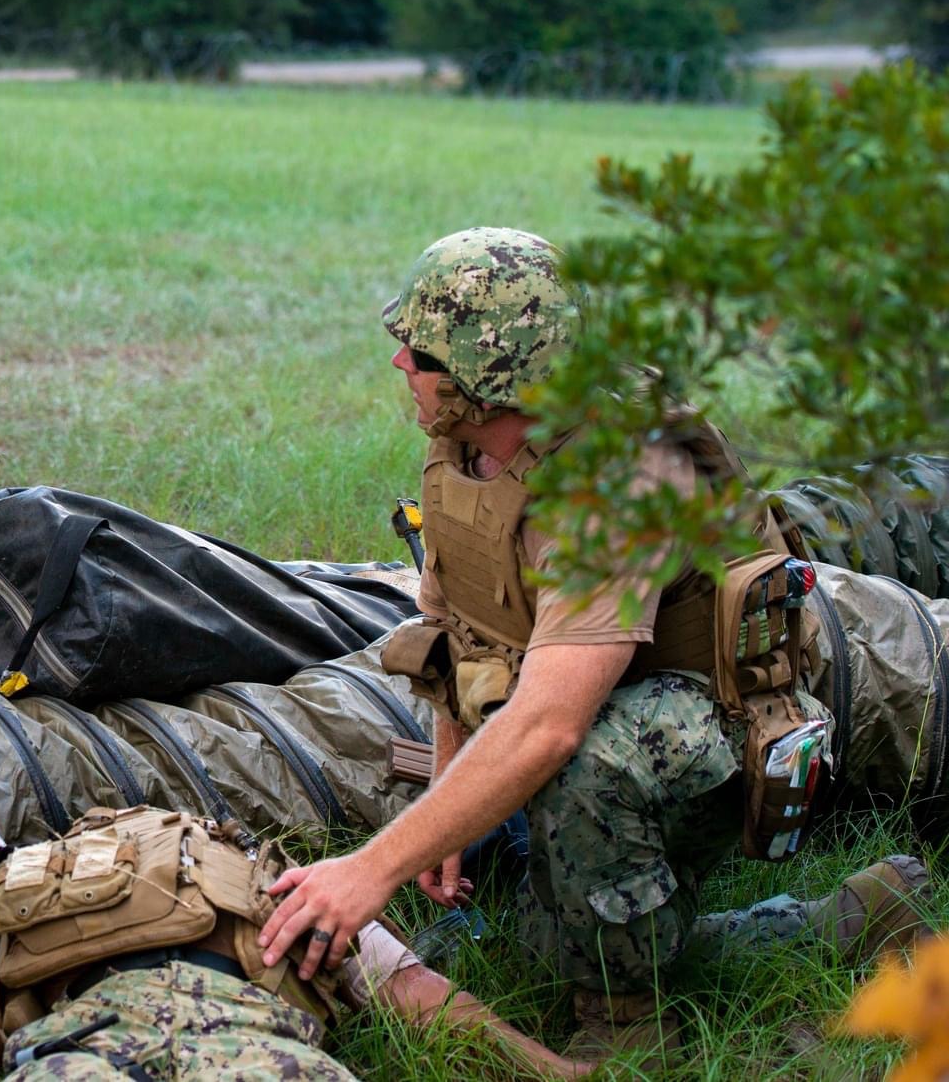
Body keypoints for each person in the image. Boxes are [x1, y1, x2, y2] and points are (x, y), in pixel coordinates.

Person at [255, 228, 931, 1062]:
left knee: (582, 770)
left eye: (420, 351)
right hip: (609, 692)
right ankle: (849, 915)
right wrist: (446, 799)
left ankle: (633, 1033)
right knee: (534, 931)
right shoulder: (468, 443)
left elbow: (551, 724)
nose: (402, 366)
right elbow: (452, 634)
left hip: (707, 729)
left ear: (490, 377)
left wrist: (372, 869)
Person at [0, 805, 585, 1082]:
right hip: (260, 1051)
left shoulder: (49, 906)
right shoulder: (287, 884)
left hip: (85, 1053)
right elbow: (425, 1001)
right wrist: (558, 1069)